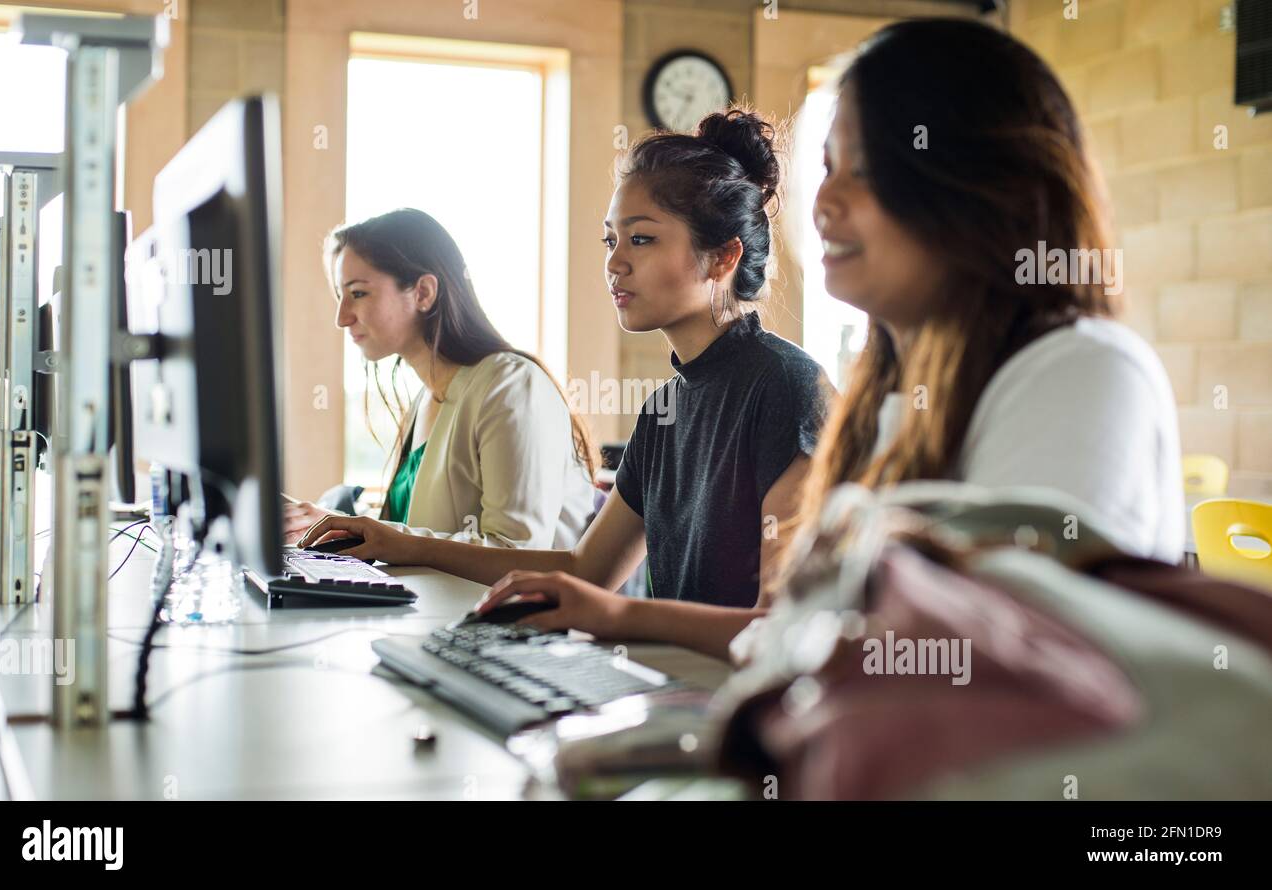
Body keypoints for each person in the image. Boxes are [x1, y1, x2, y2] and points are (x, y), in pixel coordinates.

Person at [467, 18, 1185, 653]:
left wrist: (622, 618)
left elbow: (971, 671)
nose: (825, 204)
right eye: (829, 169)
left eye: (866, 172)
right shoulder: (894, 398)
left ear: (981, 186)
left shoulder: (1082, 373)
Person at [300, 110, 831, 658]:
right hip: (676, 692)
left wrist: (618, 615)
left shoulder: (788, 389)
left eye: (641, 239)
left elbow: (783, 628)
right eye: (609, 241)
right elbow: (584, 570)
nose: (615, 263)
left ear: (722, 257)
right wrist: (397, 541)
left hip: (749, 717)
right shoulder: (665, 408)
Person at [284, 208, 598, 549]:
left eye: (358, 293)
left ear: (423, 293)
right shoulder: (425, 400)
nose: (342, 318)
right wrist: (336, 526)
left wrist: (370, 533)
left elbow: (517, 549)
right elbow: (414, 535)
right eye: (340, 296)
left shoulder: (511, 385)